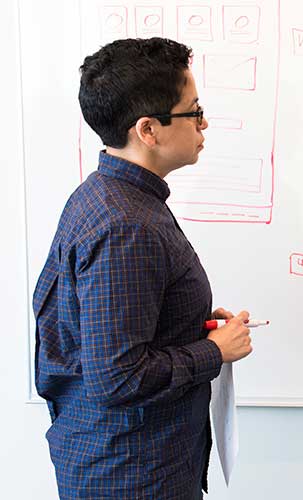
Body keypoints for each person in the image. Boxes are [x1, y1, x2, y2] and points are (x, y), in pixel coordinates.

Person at [33, 37, 255, 499]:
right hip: (132, 474)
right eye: (193, 111)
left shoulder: (112, 196)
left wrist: (194, 326)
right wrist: (215, 351)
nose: (204, 123)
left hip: (129, 463)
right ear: (148, 130)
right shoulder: (126, 226)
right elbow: (118, 376)